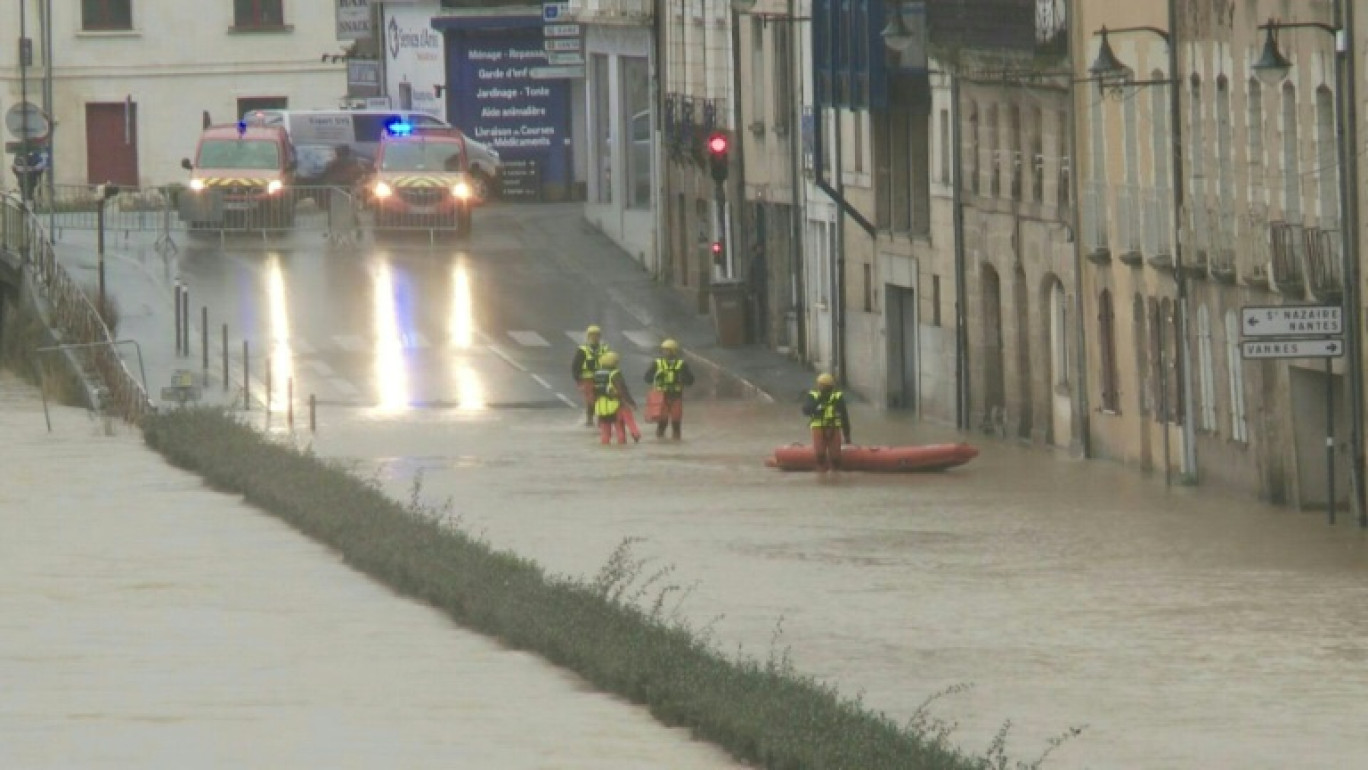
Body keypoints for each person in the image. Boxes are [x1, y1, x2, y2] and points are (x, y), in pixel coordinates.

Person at [643, 338, 695, 439]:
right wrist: (657, 376)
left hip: (676, 396)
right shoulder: (657, 363)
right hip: (661, 397)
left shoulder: (682, 364)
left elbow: (690, 381)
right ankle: (661, 441)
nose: (665, 352)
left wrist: (682, 378)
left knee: (676, 422)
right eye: (664, 350)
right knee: (662, 422)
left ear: (673, 351)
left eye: (667, 350)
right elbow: (647, 378)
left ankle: (676, 441)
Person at [802, 373, 851, 471]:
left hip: (834, 427)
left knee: (836, 457)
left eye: (825, 386)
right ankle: (822, 473)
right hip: (818, 427)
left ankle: (834, 473)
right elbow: (806, 410)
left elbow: (844, 415)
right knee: (820, 455)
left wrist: (847, 434)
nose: (823, 388)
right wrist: (816, 409)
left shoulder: (837, 397)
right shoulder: (813, 396)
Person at [593, 351, 638, 445]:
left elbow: (594, 391)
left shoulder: (597, 374)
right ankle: (622, 448)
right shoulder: (615, 374)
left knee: (605, 433)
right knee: (619, 429)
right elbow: (622, 390)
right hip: (615, 405)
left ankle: (605, 450)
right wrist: (631, 402)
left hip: (602, 407)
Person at [571, 325, 611, 427]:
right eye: (592, 335)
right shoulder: (583, 350)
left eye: (597, 335)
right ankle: (589, 419)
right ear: (588, 336)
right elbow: (576, 365)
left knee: (602, 398)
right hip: (587, 378)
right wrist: (578, 379)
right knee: (590, 399)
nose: (594, 337)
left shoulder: (604, 348)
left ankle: (602, 418)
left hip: (602, 378)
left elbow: (610, 363)